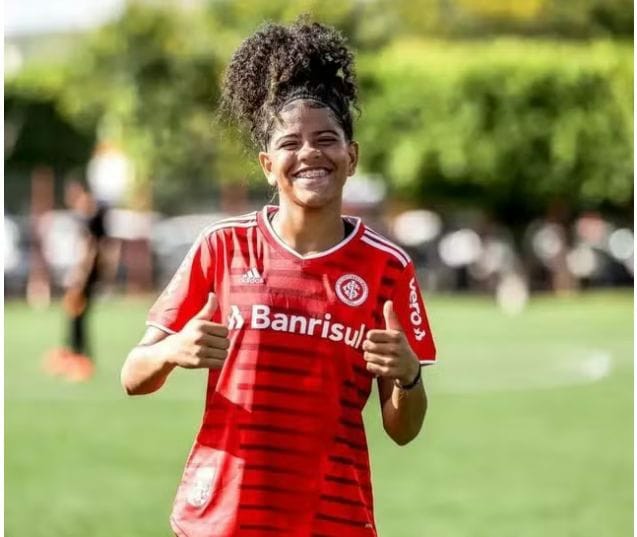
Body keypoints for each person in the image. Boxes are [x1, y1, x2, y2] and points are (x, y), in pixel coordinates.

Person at [121, 19, 437, 537]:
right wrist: (173, 349)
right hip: (222, 518)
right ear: (268, 165)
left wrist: (409, 376)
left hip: (331, 520)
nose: (309, 152)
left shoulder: (388, 268)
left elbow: (403, 429)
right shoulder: (222, 246)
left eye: (327, 139)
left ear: (352, 157)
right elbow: (133, 376)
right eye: (291, 143)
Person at [44, 179, 108, 382]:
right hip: (80, 277)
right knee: (73, 317)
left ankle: (80, 361)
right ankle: (72, 357)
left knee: (78, 320)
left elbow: (90, 250)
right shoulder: (84, 218)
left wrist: (80, 276)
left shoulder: (89, 220)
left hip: (83, 278)